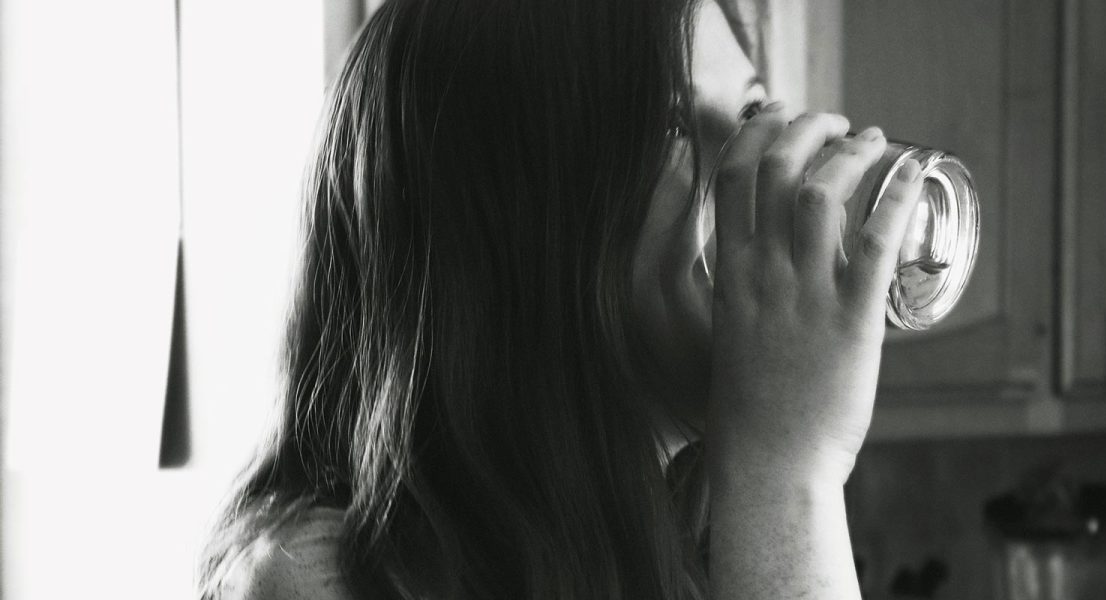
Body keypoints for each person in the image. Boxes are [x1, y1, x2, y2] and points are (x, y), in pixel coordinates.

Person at [198, 0, 922, 598]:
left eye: (751, 113)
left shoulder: (680, 547)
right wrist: (786, 483)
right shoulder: (318, 580)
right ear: (506, 224)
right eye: (666, 126)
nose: (745, 170)